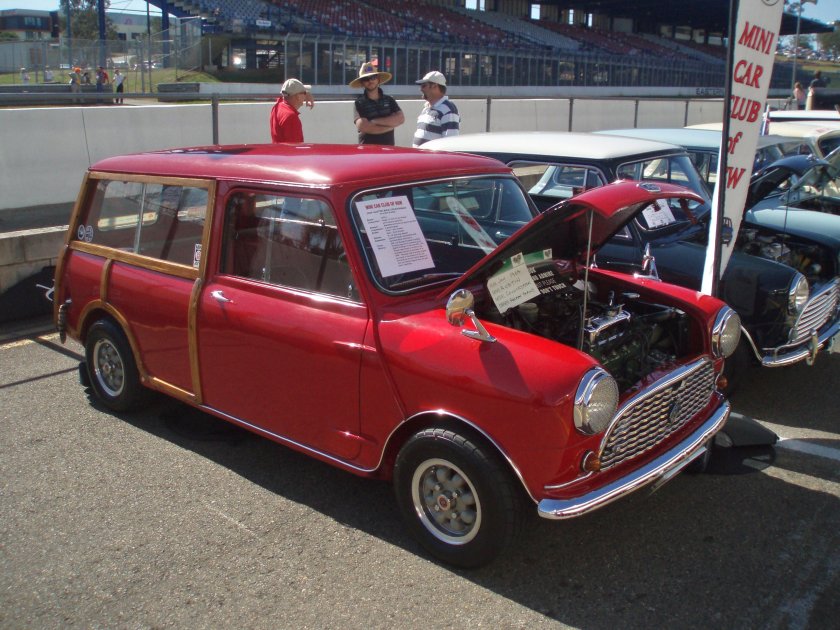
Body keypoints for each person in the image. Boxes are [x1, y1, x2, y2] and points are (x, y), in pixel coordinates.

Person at [349, 62, 404, 145]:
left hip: (388, 150)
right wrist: (389, 126)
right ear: (362, 83)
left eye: (373, 77)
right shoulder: (359, 103)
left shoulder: (389, 100)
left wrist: (374, 121)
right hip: (367, 152)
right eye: (366, 79)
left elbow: (400, 118)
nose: (370, 81)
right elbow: (363, 126)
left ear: (378, 79)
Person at [412, 71, 460, 147]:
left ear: (435, 86)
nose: (420, 89)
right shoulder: (426, 108)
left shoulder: (448, 109)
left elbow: (451, 142)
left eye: (424, 86)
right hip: (421, 157)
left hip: (433, 158)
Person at [269, 78, 314, 143]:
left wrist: (305, 94)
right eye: (304, 93)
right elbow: (295, 149)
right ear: (298, 96)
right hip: (287, 152)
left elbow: (285, 97)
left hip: (278, 151)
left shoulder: (277, 106)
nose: (305, 96)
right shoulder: (291, 117)